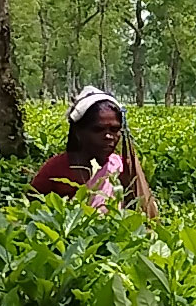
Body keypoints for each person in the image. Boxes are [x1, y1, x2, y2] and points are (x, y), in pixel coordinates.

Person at [31, 86, 158, 218]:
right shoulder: (56, 168)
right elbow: (31, 207)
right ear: (78, 132)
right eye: (98, 129)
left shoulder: (122, 167)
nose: (108, 136)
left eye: (114, 130)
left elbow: (141, 211)